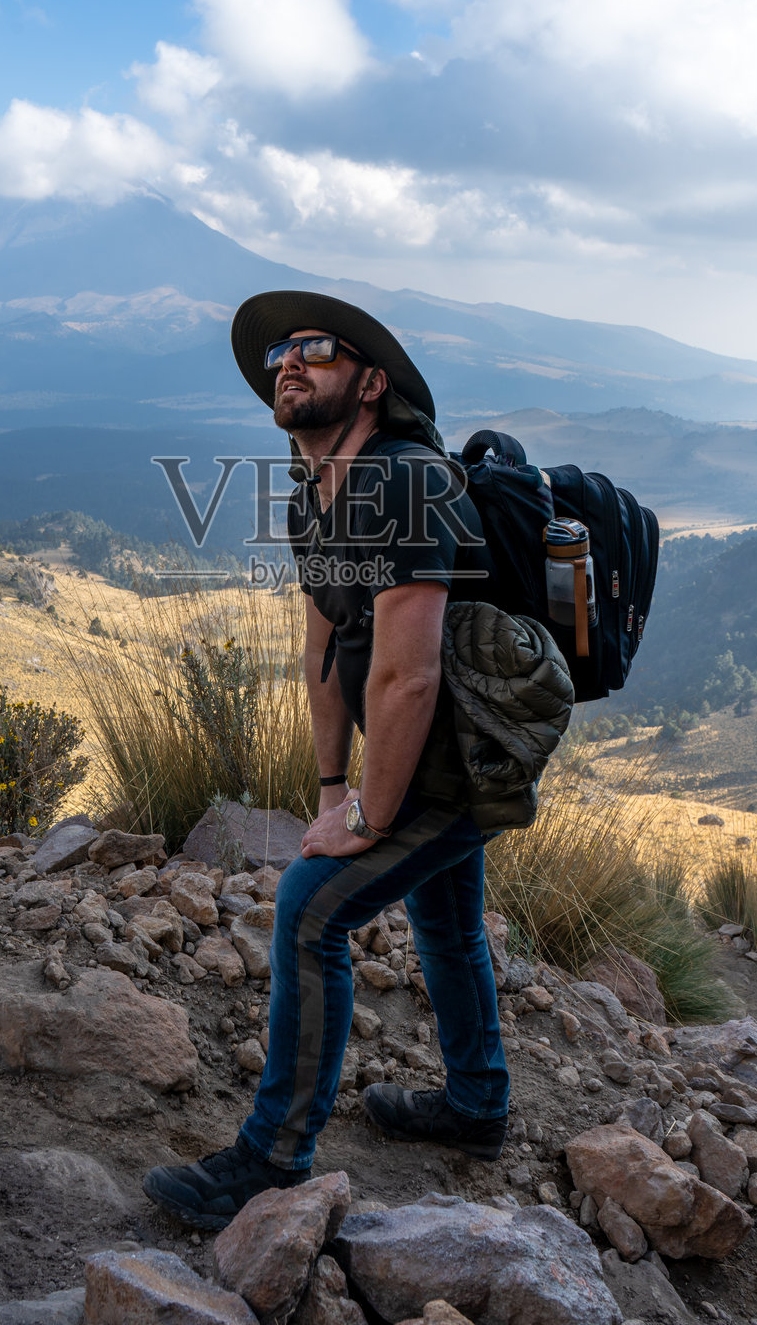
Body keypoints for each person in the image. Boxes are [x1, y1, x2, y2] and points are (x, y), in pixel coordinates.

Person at [143, 290, 510, 1231]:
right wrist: (332, 786)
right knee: (445, 918)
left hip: (463, 756)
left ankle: (269, 1160)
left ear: (372, 383)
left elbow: (407, 677)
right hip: (417, 756)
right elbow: (322, 656)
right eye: (280, 356)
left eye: (316, 349)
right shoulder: (315, 490)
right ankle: (475, 1106)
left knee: (309, 909)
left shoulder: (400, 482)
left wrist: (367, 820)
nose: (289, 363)